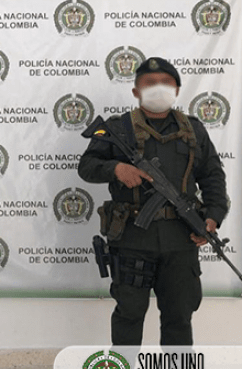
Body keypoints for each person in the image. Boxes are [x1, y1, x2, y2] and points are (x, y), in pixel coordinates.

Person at [78, 57, 228, 346]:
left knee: (179, 317)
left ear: (177, 89)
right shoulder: (118, 128)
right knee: (129, 314)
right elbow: (87, 166)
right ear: (136, 91)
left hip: (181, 238)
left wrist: (212, 217)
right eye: (150, 83)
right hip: (132, 237)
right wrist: (116, 169)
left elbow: (212, 176)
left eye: (166, 83)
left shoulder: (193, 130)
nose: (158, 88)